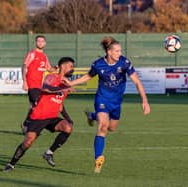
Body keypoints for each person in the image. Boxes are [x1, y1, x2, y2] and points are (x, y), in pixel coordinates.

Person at [64, 36, 151, 173]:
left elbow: (137, 82)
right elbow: (88, 76)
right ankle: (98, 158)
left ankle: (92, 116)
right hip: (102, 99)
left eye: (120, 51)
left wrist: (145, 101)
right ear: (109, 52)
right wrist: (71, 83)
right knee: (103, 127)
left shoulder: (124, 63)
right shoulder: (98, 64)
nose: (119, 53)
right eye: (116, 51)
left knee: (112, 128)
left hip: (116, 102)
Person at [4, 57, 75, 172]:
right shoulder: (52, 77)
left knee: (68, 128)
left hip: (52, 117)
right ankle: (11, 164)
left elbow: (60, 105)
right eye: (71, 66)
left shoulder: (67, 84)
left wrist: (68, 119)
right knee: (28, 142)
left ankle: (49, 153)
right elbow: (46, 88)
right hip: (39, 116)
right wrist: (62, 88)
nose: (73, 69)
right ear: (62, 66)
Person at [21, 35, 56, 134]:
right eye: (38, 41)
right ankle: (31, 127)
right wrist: (24, 81)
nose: (40, 43)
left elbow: (49, 69)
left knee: (35, 106)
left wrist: (58, 67)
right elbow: (24, 66)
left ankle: (26, 125)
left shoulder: (44, 57)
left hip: (39, 86)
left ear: (45, 43)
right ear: (36, 43)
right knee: (37, 105)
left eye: (42, 41)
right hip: (32, 84)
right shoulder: (32, 54)